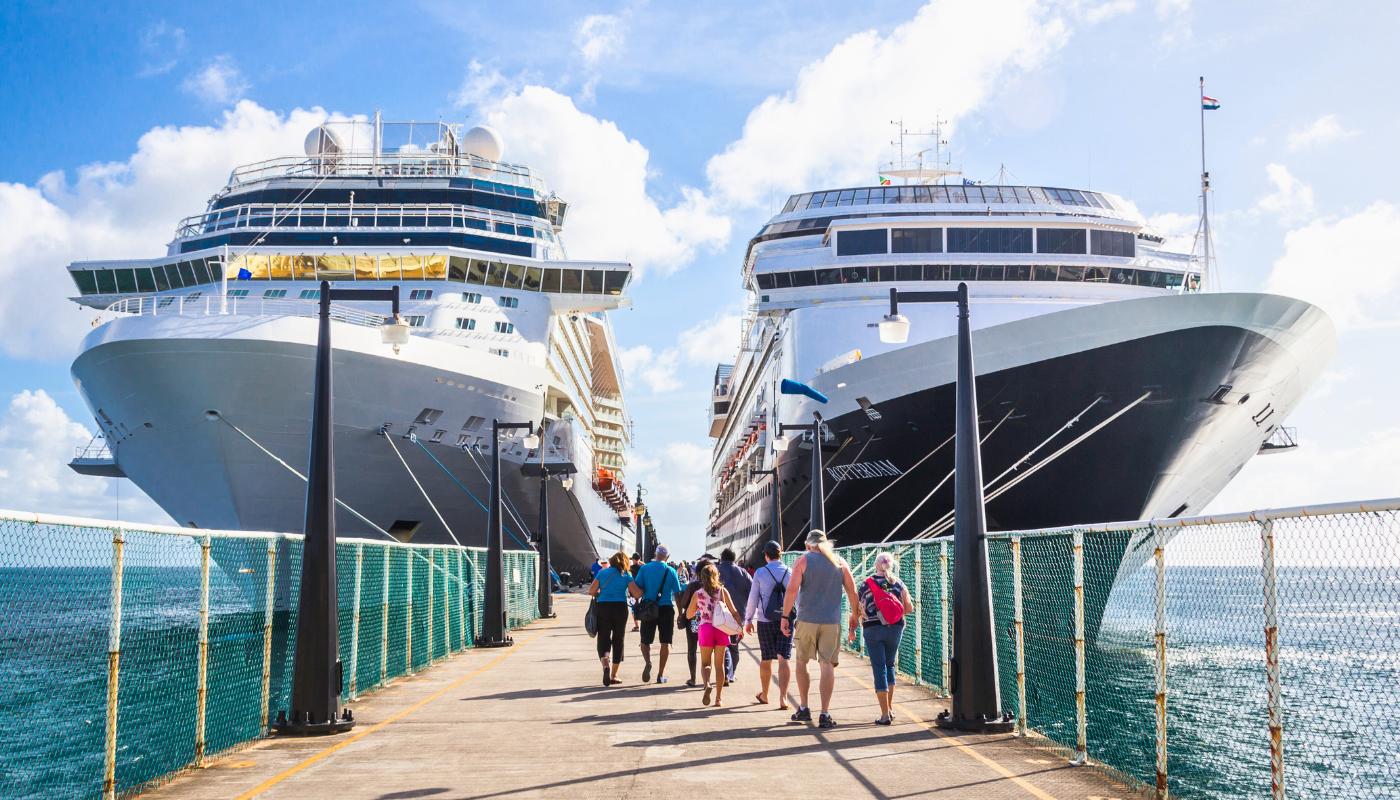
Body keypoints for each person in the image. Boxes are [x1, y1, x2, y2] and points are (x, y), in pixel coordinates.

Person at [781, 529, 858, 729]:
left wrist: (785, 616)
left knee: (802, 661)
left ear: (808, 545)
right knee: (827, 665)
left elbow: (791, 590)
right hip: (831, 621)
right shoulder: (839, 562)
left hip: (807, 620)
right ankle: (825, 713)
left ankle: (804, 707)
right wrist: (855, 615)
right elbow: (852, 591)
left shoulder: (803, 561)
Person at [855, 551, 915, 725]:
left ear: (876, 565)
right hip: (895, 629)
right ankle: (889, 708)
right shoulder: (899, 583)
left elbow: (859, 608)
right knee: (890, 665)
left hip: (873, 629)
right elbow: (909, 608)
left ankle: (884, 715)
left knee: (879, 667)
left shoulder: (866, 584)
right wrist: (892, 614)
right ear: (891, 565)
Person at [744, 540, 793, 709]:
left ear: (766, 555)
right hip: (786, 619)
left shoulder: (760, 572)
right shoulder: (790, 571)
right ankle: (783, 698)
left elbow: (753, 597)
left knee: (766, 658)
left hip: (765, 620)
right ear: (780, 554)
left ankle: (765, 695)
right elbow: (797, 596)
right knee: (784, 658)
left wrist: (748, 620)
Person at [685, 562, 741, 707]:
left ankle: (707, 684)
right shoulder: (722, 591)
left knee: (705, 663)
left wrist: (699, 608)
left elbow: (689, 615)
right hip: (721, 628)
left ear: (701, 577)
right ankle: (718, 699)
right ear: (716, 576)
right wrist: (739, 628)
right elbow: (734, 611)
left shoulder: (698, 594)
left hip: (706, 629)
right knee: (719, 665)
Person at [588, 551, 643, 686]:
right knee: (618, 639)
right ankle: (614, 675)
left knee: (603, 637)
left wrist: (601, 593)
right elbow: (637, 594)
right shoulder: (626, 575)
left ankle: (605, 663)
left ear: (611, 561)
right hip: (620, 608)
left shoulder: (603, 573)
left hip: (603, 607)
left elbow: (591, 591)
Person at [635, 544, 682, 684]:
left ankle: (648, 662)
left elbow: (637, 588)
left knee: (645, 641)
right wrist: (680, 613)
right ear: (667, 557)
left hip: (649, 608)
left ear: (655, 554)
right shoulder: (671, 571)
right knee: (665, 642)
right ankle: (660, 675)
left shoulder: (644, 568)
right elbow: (677, 594)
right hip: (666, 609)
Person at [716, 548, 753, 684]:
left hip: (718, 616)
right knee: (734, 646)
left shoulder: (715, 570)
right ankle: (731, 674)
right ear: (734, 558)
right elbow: (752, 592)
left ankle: (725, 673)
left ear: (722, 558)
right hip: (738, 615)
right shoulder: (743, 572)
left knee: (721, 645)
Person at [675, 556, 711, 687]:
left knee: (692, 649)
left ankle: (693, 678)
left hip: (693, 621)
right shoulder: (715, 586)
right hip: (709, 623)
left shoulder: (693, 586)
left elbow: (684, 603)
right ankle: (707, 681)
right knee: (708, 652)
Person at [629, 553, 644, 631]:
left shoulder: (631, 568)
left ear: (633, 559)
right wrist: (640, 562)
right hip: (642, 591)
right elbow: (646, 565)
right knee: (643, 608)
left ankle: (636, 626)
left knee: (633, 609)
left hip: (633, 591)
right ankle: (643, 625)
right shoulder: (643, 567)